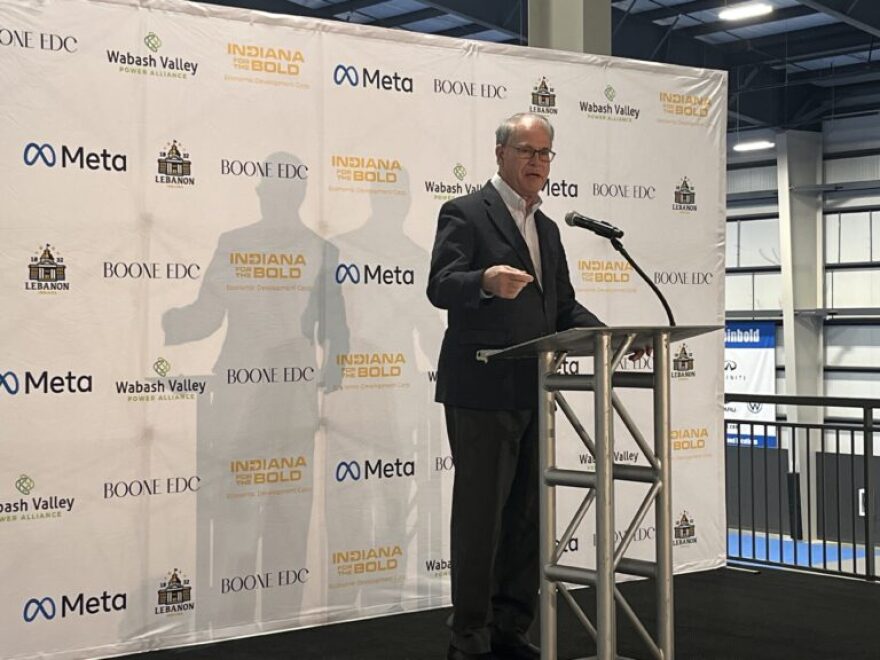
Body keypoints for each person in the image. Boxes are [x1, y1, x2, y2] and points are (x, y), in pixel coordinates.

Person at [427, 113, 604, 660]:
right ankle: (470, 636)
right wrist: (483, 281)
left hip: (534, 388)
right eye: (527, 151)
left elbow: (562, 305)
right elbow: (440, 285)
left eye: (545, 153)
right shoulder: (465, 212)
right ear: (500, 153)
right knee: (482, 517)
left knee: (527, 516)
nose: (537, 162)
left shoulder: (547, 228)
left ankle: (510, 626)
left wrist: (607, 334)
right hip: (480, 390)